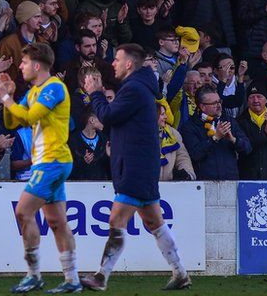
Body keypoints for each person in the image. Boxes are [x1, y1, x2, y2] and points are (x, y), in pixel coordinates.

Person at [80, 43, 191, 291]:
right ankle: (180, 272)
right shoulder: (137, 87)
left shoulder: (134, 89)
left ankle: (101, 277)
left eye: (117, 60)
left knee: (116, 220)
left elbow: (107, 117)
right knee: (155, 223)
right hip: (139, 164)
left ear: (129, 64)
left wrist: (96, 93)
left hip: (135, 166)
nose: (114, 64)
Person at [0, 42, 79, 293]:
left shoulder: (54, 88)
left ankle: (34, 275)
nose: (20, 65)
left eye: (24, 62)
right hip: (49, 161)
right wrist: (8, 94)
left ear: (37, 65)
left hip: (53, 161)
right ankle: (72, 280)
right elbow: (13, 121)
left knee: (22, 212)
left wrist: (6, 98)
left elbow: (29, 118)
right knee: (57, 221)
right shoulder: (34, 91)